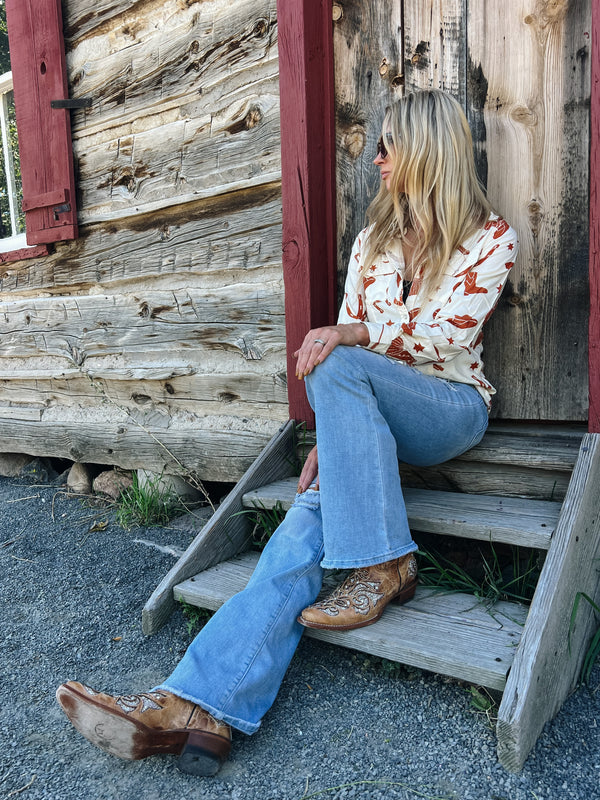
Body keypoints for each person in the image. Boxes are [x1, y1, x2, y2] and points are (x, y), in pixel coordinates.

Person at [56, 89, 518, 776]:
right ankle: (197, 705)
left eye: (392, 145)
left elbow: (439, 338)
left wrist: (352, 339)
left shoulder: (489, 238)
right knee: (305, 517)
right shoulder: (373, 243)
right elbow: (342, 364)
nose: (378, 158)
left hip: (448, 409)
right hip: (370, 416)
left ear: (429, 151)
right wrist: (335, 442)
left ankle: (382, 562)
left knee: (335, 351)